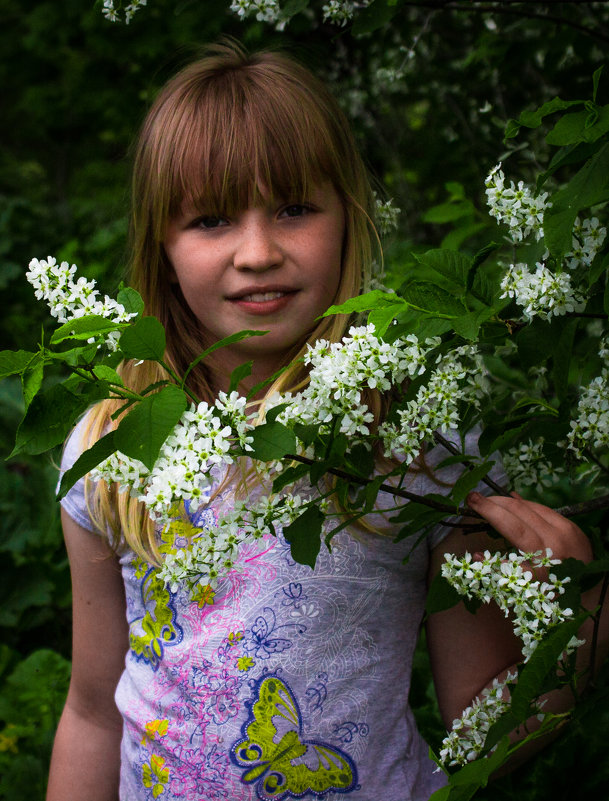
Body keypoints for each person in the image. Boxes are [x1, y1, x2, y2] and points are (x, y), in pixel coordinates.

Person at [46, 41, 603, 801]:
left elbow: (486, 739)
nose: (257, 251)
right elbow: (90, 709)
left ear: (348, 217)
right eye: (210, 219)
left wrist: (577, 629)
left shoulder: (417, 444)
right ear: (161, 247)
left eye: (294, 208)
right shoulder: (114, 451)